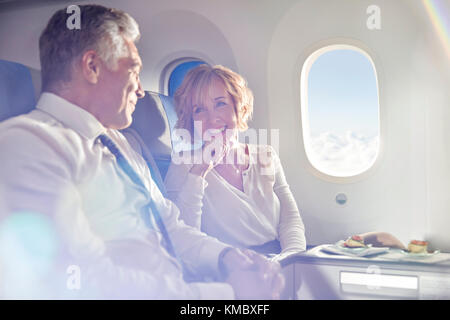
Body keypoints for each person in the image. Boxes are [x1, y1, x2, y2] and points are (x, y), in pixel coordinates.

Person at [0, 5, 284, 299]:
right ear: (92, 67)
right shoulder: (28, 145)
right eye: (134, 71)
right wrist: (227, 295)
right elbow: (81, 279)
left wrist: (228, 257)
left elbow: (171, 226)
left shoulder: (121, 144)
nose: (139, 90)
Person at [164, 65, 306, 258]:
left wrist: (292, 260)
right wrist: (200, 171)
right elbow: (183, 238)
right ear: (191, 119)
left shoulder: (266, 155)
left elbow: (290, 220)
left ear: (240, 108)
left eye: (220, 104)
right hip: (228, 267)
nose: (212, 118)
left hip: (279, 258)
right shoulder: (184, 164)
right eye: (199, 110)